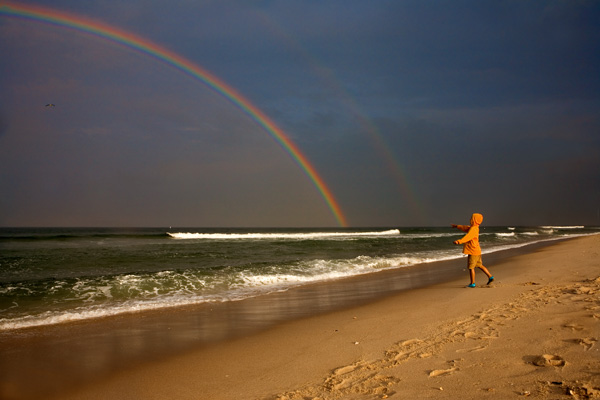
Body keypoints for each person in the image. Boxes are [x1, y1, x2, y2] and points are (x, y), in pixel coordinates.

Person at [451, 213, 494, 288]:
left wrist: (459, 241)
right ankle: (490, 277)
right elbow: (465, 228)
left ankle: (472, 283)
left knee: (471, 267)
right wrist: (457, 226)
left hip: (473, 251)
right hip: (477, 250)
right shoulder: (474, 227)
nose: (470, 220)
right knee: (479, 265)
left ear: (475, 220)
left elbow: (468, 237)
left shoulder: (473, 229)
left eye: (472, 218)